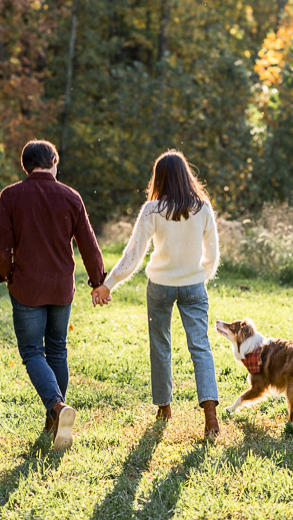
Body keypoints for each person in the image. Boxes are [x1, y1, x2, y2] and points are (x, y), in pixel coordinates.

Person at [92, 149, 221, 438]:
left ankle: (164, 408)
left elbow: (133, 255)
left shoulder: (152, 210)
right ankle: (210, 416)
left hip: (160, 287)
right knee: (201, 347)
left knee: (160, 345)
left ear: (159, 178)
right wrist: (199, 277)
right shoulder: (203, 208)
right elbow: (212, 255)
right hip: (194, 286)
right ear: (186, 175)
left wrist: (108, 284)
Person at [0, 139, 107, 450]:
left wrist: (6, 274)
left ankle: (56, 407)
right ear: (53, 162)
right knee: (57, 350)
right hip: (60, 287)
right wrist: (98, 281)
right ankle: (54, 421)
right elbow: (88, 244)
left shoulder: (11, 196)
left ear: (25, 166)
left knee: (32, 352)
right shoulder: (71, 196)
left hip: (26, 286)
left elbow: (0, 247)